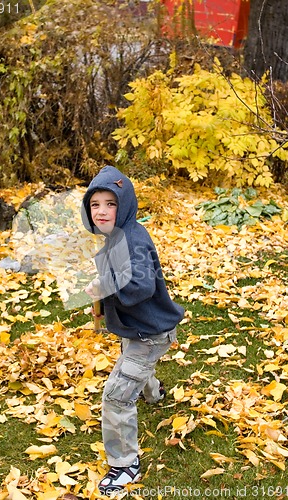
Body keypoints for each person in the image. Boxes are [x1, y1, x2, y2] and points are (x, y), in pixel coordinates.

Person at [81, 166, 184, 496]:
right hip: (138, 330)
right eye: (95, 204)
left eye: (110, 203)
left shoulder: (132, 241)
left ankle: (125, 465)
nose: (102, 211)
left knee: (117, 395)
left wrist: (104, 288)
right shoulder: (120, 235)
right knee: (134, 365)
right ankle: (154, 393)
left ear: (124, 205)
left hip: (150, 334)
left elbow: (140, 285)